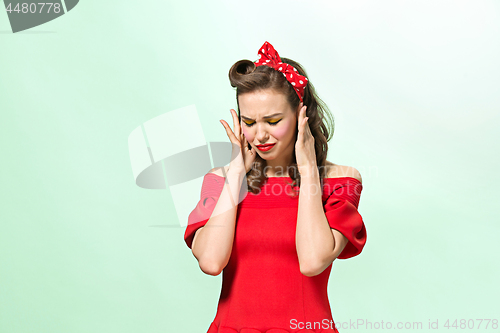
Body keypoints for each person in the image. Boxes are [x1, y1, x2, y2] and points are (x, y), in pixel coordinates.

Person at [184, 41, 367, 333]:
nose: (260, 135)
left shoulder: (339, 180)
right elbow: (211, 261)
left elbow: (312, 260)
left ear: (301, 115)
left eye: (273, 120)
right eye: (249, 122)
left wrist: (308, 173)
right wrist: (235, 176)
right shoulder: (221, 181)